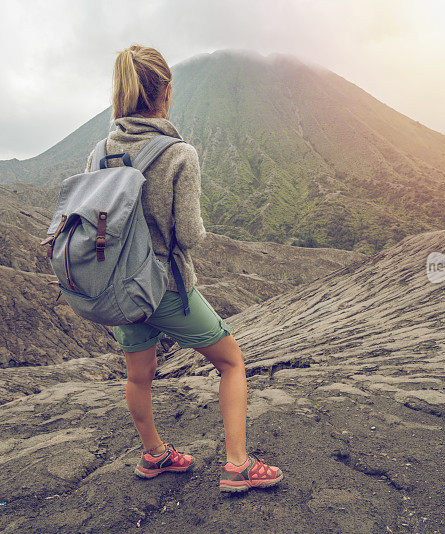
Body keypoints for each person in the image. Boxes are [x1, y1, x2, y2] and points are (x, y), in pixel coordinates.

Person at [85, 45, 282, 492]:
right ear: (166, 92)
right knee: (231, 363)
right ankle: (237, 464)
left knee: (139, 375)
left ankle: (155, 456)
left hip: (118, 291)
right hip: (166, 288)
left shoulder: (99, 152)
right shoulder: (178, 154)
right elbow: (189, 236)